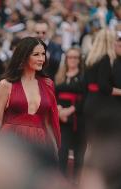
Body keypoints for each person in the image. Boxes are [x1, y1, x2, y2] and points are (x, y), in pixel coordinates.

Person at [0, 36, 61, 151]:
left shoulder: (48, 84)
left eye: (43, 54)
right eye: (36, 54)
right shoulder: (6, 84)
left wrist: (55, 151)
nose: (41, 59)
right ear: (23, 56)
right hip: (10, 142)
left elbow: (48, 123)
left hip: (39, 143)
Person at [55, 47, 86, 178]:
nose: (72, 60)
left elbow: (85, 97)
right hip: (61, 118)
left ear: (79, 60)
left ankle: (77, 181)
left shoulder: (83, 77)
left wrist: (70, 111)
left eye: (75, 57)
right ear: (66, 59)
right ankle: (62, 180)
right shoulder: (59, 76)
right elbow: (53, 95)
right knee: (62, 151)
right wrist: (59, 110)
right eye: (70, 57)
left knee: (79, 153)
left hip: (78, 118)